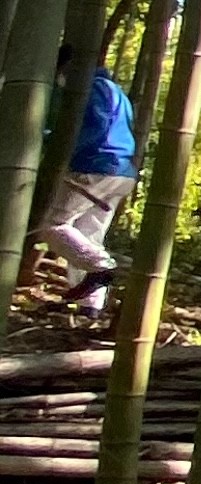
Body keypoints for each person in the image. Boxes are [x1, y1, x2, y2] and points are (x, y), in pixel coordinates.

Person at [34, 67, 136, 305]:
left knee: (52, 225)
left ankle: (102, 267)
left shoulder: (92, 88)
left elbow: (95, 127)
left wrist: (55, 145)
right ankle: (90, 306)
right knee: (88, 235)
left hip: (93, 167)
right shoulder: (118, 92)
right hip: (121, 172)